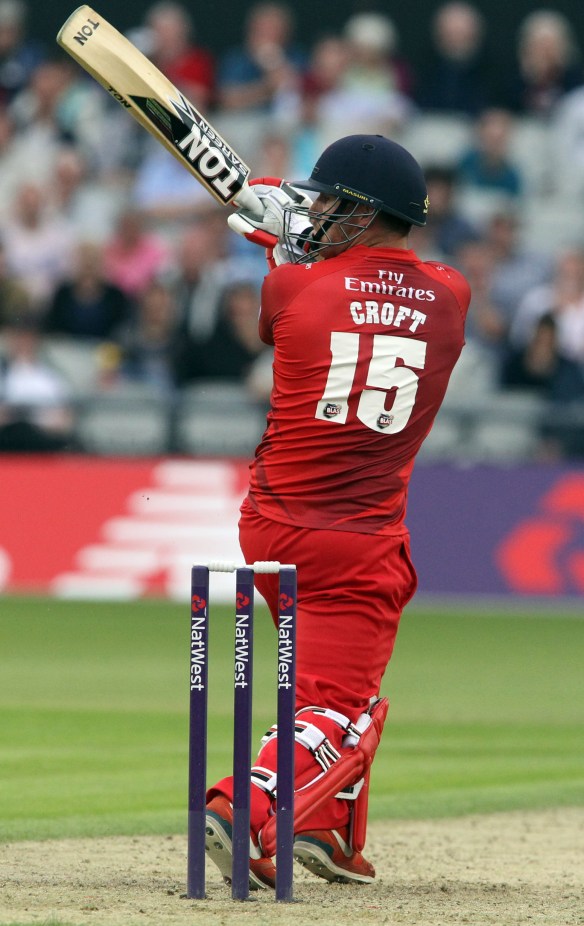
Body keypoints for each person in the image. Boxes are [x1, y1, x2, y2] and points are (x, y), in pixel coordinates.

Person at [202, 135, 471, 889]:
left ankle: (327, 835)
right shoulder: (452, 296)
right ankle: (239, 807)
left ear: (362, 212)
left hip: (268, 525)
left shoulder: (293, 290)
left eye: (327, 201)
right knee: (340, 707)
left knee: (334, 690)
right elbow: (390, 293)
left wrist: (283, 250)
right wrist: (306, 244)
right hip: (357, 541)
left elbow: (288, 309)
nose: (314, 212)